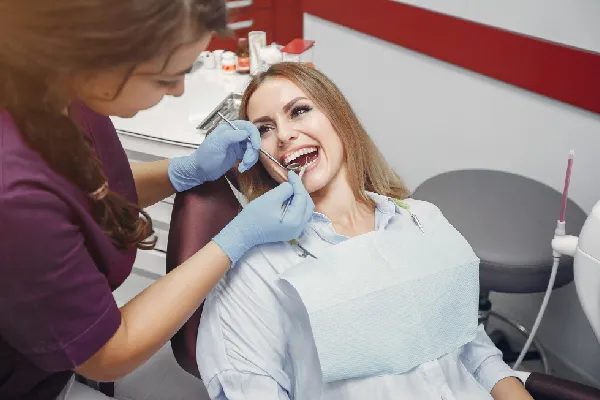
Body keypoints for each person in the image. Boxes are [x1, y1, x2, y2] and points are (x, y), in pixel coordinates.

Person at [0, 2, 313, 399]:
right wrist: (238, 238)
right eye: (167, 78)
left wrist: (185, 170)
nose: (179, 90)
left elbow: (79, 187)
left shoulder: (61, 89)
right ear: (96, 61)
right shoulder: (13, 195)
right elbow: (106, 353)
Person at [195, 62, 535, 400]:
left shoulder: (421, 220)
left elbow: (473, 352)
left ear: (338, 117)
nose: (284, 136)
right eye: (265, 129)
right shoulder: (256, 270)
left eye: (299, 111)